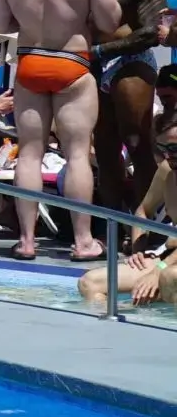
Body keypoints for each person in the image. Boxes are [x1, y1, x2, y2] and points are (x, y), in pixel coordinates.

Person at [0, 0, 121, 261]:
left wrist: (29, 23)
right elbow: (111, 22)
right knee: (76, 153)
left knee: (29, 154)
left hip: (31, 64)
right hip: (72, 63)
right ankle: (82, 241)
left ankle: (27, 241)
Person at [85, 0, 166, 221]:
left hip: (131, 65)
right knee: (104, 149)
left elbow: (152, 32)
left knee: (136, 143)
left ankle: (144, 224)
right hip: (98, 64)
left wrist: (99, 50)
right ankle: (111, 222)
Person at [78, 111, 177, 306]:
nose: (168, 154)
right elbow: (143, 211)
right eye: (162, 147)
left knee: (169, 277)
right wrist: (138, 249)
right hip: (168, 257)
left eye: (174, 147)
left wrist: (158, 271)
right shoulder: (167, 170)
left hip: (169, 264)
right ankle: (113, 333)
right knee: (90, 283)